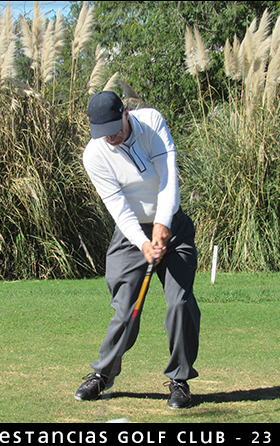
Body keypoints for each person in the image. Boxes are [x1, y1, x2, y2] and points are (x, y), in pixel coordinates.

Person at [75, 91, 201, 409]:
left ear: (126, 114)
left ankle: (179, 380)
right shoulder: (94, 155)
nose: (111, 138)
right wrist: (143, 242)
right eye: (102, 133)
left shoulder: (152, 121)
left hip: (173, 226)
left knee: (180, 303)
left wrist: (162, 222)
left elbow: (168, 177)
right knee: (125, 310)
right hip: (131, 234)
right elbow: (117, 207)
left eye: (115, 129)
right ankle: (103, 374)